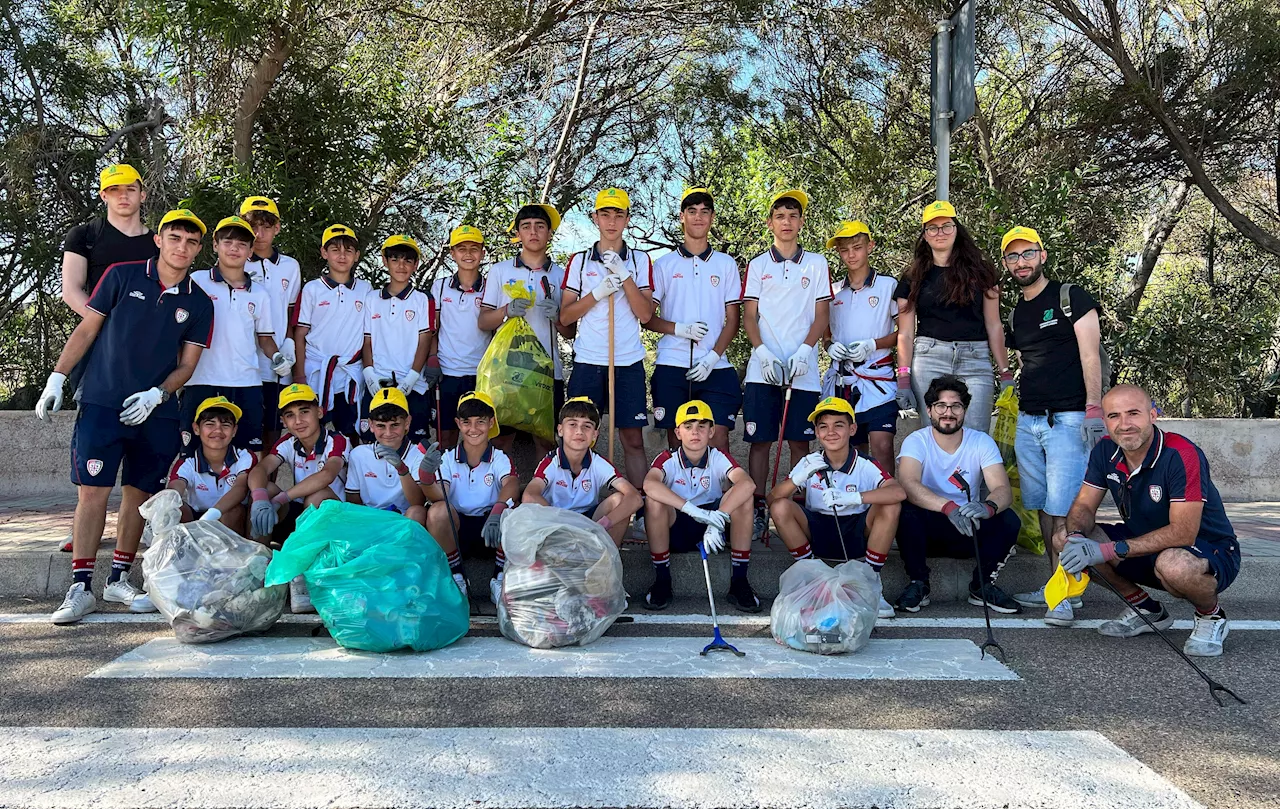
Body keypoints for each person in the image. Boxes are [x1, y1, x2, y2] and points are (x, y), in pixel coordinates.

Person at [36, 209, 214, 625]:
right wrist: (57, 378)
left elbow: (187, 365)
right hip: (102, 402)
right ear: (159, 239)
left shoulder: (199, 301)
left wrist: (159, 394)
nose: (181, 246)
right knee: (93, 492)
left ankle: (118, 578)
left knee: (138, 494)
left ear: (198, 249)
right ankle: (80, 587)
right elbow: (86, 330)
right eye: (174, 237)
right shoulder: (121, 275)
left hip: (155, 413)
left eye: (190, 241)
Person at [1058, 384, 1240, 657]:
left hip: (1207, 550)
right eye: (1114, 416)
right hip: (1143, 544)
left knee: (1174, 564)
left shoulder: (1182, 453)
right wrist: (1075, 537)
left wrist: (1107, 550)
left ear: (1153, 415)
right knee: (1064, 538)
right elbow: (1084, 505)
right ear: (1104, 420)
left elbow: (1184, 533)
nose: (1124, 424)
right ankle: (1146, 609)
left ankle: (1211, 616)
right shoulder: (1104, 450)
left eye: (1133, 413)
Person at [997, 226, 1108, 624]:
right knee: (1044, 507)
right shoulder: (1017, 312)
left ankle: (1062, 596)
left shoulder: (1070, 297)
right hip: (1029, 420)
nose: (1021, 262)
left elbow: (1090, 354)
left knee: (1064, 510)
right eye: (1013, 257)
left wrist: (1094, 409)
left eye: (1027, 254)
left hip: (1069, 418)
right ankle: (1057, 583)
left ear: (1042, 256)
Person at [54, 163, 160, 554]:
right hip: (97, 347)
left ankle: (141, 525)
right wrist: (106, 325)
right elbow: (71, 290)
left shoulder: (157, 243)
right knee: (93, 436)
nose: (123, 196)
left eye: (130, 189)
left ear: (142, 193)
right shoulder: (84, 235)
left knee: (149, 440)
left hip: (147, 356)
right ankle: (81, 526)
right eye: (114, 190)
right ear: (104, 196)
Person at [742, 189, 831, 540]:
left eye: (793, 216)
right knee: (759, 441)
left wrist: (806, 351)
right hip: (763, 368)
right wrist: (762, 352)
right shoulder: (758, 264)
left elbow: (822, 314)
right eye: (780, 216)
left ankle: (796, 506)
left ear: (801, 222)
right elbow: (750, 316)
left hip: (803, 368)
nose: (787, 222)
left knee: (799, 442)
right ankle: (759, 507)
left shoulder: (817, 263)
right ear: (770, 223)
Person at [894, 375, 1022, 613]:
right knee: (904, 511)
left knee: (1009, 519)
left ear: (964, 410)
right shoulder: (917, 440)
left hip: (967, 528)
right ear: (930, 410)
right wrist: (947, 507)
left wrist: (988, 507)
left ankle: (982, 586)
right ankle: (919, 583)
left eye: (956, 406)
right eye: (941, 406)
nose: (948, 412)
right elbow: (908, 484)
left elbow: (1002, 489)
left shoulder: (980, 441)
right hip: (927, 531)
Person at [767, 396, 904, 619]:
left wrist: (855, 498)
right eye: (823, 426)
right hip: (818, 530)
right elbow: (772, 500)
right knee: (782, 507)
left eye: (838, 425)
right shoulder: (810, 462)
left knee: (890, 506)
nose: (830, 432)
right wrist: (797, 479)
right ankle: (814, 580)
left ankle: (869, 582)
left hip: (857, 531)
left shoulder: (864, 463)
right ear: (817, 433)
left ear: (852, 429)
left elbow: (898, 492)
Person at [559, 188, 655, 490]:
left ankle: (640, 508)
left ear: (627, 219)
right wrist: (598, 292)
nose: (611, 221)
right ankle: (576, 501)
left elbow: (646, 314)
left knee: (633, 439)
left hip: (627, 361)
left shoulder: (640, 260)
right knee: (579, 438)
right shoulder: (578, 261)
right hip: (588, 361)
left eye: (618, 214)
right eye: (605, 214)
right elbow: (565, 317)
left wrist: (625, 276)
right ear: (595, 218)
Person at [894, 200, 1011, 433]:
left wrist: (1005, 372)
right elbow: (906, 333)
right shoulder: (912, 276)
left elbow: (994, 325)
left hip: (975, 359)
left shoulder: (983, 272)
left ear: (956, 230)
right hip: (929, 358)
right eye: (933, 228)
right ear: (925, 235)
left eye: (946, 226)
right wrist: (903, 377)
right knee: (936, 435)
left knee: (976, 436)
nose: (940, 233)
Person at [645, 188, 743, 454]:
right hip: (671, 364)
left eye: (704, 211)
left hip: (716, 366)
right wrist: (679, 329)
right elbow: (646, 317)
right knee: (678, 442)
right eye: (691, 211)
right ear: (681, 217)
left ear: (711, 218)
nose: (698, 217)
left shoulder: (726, 264)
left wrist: (713, 357)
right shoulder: (664, 264)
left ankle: (720, 497)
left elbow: (733, 320)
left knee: (718, 439)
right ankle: (680, 496)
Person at [183, 215, 291, 452]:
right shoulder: (195, 281)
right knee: (193, 455)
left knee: (246, 456)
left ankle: (249, 492)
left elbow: (265, 338)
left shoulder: (260, 294)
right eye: (227, 242)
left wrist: (277, 357)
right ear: (215, 245)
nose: (234, 249)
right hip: (201, 380)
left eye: (242, 244)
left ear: (251, 250)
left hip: (246, 383)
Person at [642, 400, 760, 613]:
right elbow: (649, 484)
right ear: (678, 432)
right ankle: (662, 580)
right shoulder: (667, 458)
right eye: (688, 427)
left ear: (711, 431)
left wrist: (719, 519)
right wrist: (692, 510)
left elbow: (747, 483)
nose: (695, 432)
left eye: (701, 426)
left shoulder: (718, 457)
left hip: (712, 529)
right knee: (654, 501)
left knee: (745, 498)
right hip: (679, 524)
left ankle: (739, 581)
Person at [247, 383, 349, 612]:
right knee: (265, 491)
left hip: (334, 523)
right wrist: (262, 497)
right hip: (301, 519)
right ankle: (257, 570)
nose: (298, 420)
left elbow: (327, 475)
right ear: (283, 421)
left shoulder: (337, 440)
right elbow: (259, 470)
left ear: (320, 412)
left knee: (316, 497)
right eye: (290, 415)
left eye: (305, 411)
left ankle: (305, 577)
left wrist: (282, 498)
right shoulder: (287, 443)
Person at [479, 203, 570, 456]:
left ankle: (543, 494)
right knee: (500, 440)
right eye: (526, 227)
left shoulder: (562, 276)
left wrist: (559, 318)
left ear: (549, 233)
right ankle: (501, 495)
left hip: (548, 371)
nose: (533, 232)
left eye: (540, 226)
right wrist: (506, 311)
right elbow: (484, 321)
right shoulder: (499, 270)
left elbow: (571, 332)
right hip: (505, 368)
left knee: (547, 440)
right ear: (518, 233)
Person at [418, 391, 519, 602]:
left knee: (515, 511)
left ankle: (499, 577)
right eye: (466, 422)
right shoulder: (447, 458)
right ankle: (457, 576)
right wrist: (426, 478)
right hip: (457, 532)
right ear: (458, 423)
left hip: (491, 530)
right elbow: (439, 495)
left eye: (480, 422)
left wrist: (497, 511)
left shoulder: (500, 458)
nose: (473, 429)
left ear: (491, 422)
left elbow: (511, 484)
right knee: (437, 511)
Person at [824, 220, 901, 473]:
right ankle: (859, 509)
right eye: (844, 250)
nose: (851, 255)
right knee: (852, 453)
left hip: (879, 380)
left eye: (857, 247)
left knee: (882, 446)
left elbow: (906, 332)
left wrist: (873, 344)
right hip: (842, 383)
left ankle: (889, 507)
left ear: (870, 246)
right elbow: (825, 330)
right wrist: (828, 346)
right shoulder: (832, 292)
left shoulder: (889, 286)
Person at [523, 396, 643, 548]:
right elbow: (529, 495)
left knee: (619, 500)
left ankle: (607, 562)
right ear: (560, 430)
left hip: (589, 523)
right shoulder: (551, 462)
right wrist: (566, 525)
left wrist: (602, 525)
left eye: (587, 426)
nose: (579, 431)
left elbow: (635, 498)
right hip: (556, 522)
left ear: (595, 434)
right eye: (572, 424)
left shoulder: (598, 462)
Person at [294, 224, 373, 440]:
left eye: (348, 250)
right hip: (316, 373)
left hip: (349, 374)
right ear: (324, 252)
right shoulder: (312, 289)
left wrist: (369, 371)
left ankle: (348, 474)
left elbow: (369, 336)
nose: (342, 256)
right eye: (335, 249)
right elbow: (300, 334)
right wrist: (299, 374)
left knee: (350, 435)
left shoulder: (366, 290)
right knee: (313, 437)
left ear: (356, 255)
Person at [240, 195, 302, 450]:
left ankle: (266, 490)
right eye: (253, 225)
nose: (259, 233)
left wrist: (288, 342)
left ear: (277, 228)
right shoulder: (234, 261)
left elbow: (290, 311)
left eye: (266, 226)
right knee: (243, 432)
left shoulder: (290, 266)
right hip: (242, 364)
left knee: (273, 435)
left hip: (277, 365)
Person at [361, 234, 433, 443]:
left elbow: (425, 340)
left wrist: (411, 379)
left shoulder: (422, 299)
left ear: (415, 264)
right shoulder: (372, 298)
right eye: (395, 259)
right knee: (373, 443)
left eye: (408, 260)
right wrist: (369, 374)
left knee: (415, 445)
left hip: (412, 384)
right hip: (378, 382)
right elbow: (367, 340)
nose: (401, 266)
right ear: (385, 261)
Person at [429, 226, 491, 449]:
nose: (468, 254)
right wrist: (432, 358)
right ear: (452, 253)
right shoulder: (440, 286)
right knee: (445, 437)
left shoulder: (491, 286)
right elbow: (433, 329)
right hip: (447, 373)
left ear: (483, 253)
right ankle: (445, 481)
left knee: (480, 435)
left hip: (481, 374)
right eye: (461, 248)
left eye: (474, 248)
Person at [166, 396, 255, 534]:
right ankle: (186, 551)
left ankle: (234, 554)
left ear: (234, 431)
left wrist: (213, 514)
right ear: (196, 429)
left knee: (232, 511)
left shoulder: (244, 456)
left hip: (233, 520)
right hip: (197, 519)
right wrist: (165, 505)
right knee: (175, 507)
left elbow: (240, 488)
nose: (218, 430)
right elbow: (174, 489)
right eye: (210, 424)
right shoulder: (187, 462)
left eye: (225, 425)